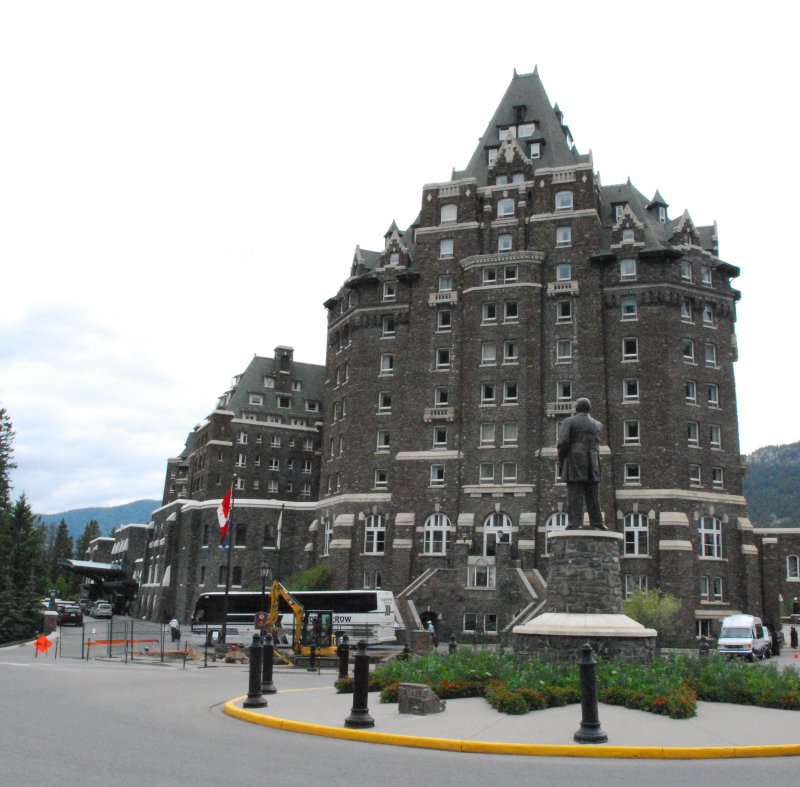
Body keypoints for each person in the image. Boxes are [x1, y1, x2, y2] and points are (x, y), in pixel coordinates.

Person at [557, 397, 608, 530]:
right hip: (593, 463)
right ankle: (597, 522)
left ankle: (575, 523)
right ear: (589, 409)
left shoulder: (568, 421)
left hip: (575, 462)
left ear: (576, 408)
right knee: (593, 495)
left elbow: (563, 442)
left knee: (575, 494)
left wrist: (562, 460)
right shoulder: (597, 424)